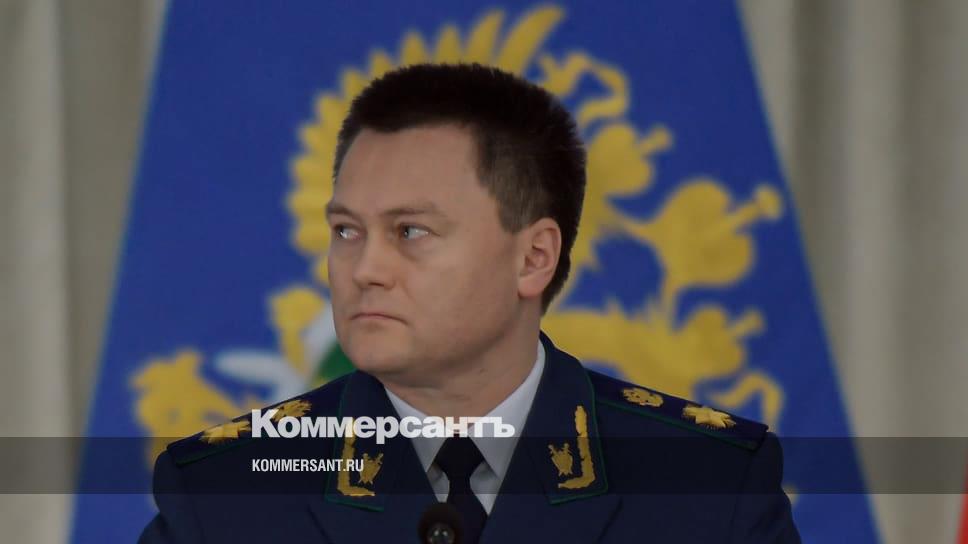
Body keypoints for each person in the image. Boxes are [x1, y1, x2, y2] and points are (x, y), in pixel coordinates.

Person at [140, 63, 800, 543]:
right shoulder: (225, 493)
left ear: (533, 257)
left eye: (410, 232)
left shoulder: (711, 486)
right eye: (346, 231)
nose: (364, 270)